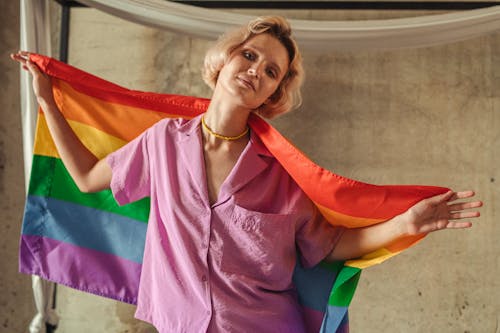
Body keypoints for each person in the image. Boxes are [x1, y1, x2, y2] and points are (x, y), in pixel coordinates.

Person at [12, 16, 482, 333]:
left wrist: (406, 224)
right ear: (226, 60)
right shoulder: (163, 142)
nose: (256, 71)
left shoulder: (283, 174)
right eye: (251, 56)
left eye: (272, 71)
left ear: (273, 95)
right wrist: (48, 102)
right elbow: (89, 178)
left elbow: (330, 247)